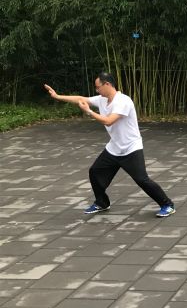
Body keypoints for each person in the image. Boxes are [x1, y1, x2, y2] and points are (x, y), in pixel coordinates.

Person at [43, 73, 175, 218]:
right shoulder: (102, 100)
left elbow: (108, 121)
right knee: (95, 171)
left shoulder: (123, 101)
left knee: (142, 180)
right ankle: (102, 203)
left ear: (107, 84)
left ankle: (167, 205)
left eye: (98, 87)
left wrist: (89, 112)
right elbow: (81, 98)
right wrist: (57, 96)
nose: (97, 90)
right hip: (114, 148)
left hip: (131, 148)